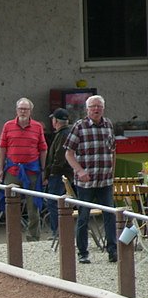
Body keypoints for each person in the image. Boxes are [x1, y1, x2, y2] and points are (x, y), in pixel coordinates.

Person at [64, 94, 118, 264]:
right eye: (93, 106)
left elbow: (113, 151)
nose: (96, 109)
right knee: (83, 217)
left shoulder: (109, 125)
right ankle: (83, 252)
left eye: (99, 106)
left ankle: (113, 250)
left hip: (105, 181)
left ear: (103, 108)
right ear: (87, 109)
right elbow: (68, 153)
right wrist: (79, 171)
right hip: (86, 182)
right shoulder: (79, 127)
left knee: (110, 215)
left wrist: (112, 172)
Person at [0, 97, 47, 242]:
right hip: (12, 170)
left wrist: (43, 171)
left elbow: (43, 149)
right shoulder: (8, 126)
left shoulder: (37, 127)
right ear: (16, 110)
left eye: (26, 109)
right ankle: (13, 236)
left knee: (33, 206)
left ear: (31, 111)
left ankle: (33, 237)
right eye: (20, 109)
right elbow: (2, 148)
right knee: (10, 204)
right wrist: (0, 170)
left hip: (32, 171)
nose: (23, 111)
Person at [43, 108, 74, 240]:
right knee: (56, 202)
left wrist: (51, 173)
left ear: (56, 121)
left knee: (54, 202)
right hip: (63, 173)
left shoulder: (63, 135)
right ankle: (59, 231)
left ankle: (58, 231)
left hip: (60, 174)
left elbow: (59, 158)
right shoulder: (66, 133)